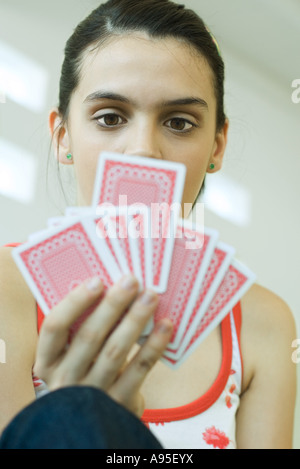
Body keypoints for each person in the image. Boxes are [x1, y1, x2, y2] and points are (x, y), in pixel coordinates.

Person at [0, 0, 296, 449]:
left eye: (179, 122)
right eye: (110, 117)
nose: (142, 150)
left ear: (217, 146)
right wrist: (67, 422)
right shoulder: (7, 289)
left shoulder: (264, 325)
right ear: (63, 136)